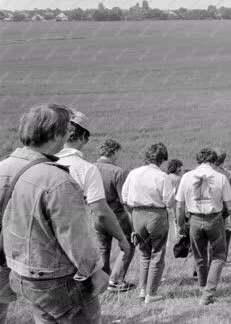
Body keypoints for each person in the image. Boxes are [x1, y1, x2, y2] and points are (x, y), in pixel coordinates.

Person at [1, 104, 108, 323]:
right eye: (67, 130)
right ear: (56, 134)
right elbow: (74, 236)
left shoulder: (3, 168)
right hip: (55, 275)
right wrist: (95, 271)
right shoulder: (57, 180)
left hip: (19, 270)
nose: (69, 135)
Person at [55, 111, 132, 292]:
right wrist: (122, 238)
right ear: (83, 137)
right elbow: (106, 207)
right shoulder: (92, 169)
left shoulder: (43, 162)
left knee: (103, 248)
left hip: (42, 250)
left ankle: (103, 279)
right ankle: (112, 281)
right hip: (106, 218)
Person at [176, 148, 231, 306]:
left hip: (194, 219)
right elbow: (230, 205)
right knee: (219, 256)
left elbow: (179, 206)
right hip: (215, 219)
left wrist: (180, 225)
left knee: (199, 257)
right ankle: (208, 293)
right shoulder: (220, 177)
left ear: (198, 159)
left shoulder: (186, 177)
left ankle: (202, 289)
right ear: (214, 160)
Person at [122, 143, 175, 304]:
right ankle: (151, 293)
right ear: (162, 159)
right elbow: (169, 200)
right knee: (157, 254)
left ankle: (142, 289)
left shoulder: (133, 173)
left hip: (137, 213)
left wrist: (133, 214)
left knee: (144, 253)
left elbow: (124, 196)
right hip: (156, 214)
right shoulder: (162, 176)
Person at [94, 139, 136, 292]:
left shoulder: (91, 168)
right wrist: (132, 214)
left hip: (96, 214)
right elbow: (123, 198)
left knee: (103, 248)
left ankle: (102, 283)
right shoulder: (117, 172)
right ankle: (116, 281)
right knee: (128, 244)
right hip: (116, 214)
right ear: (114, 151)